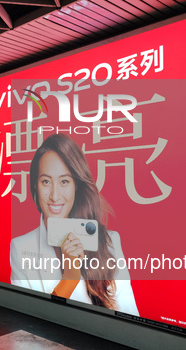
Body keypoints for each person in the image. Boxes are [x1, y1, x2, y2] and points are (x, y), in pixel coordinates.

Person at [9, 134, 138, 315]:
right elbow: (30, 319)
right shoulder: (20, 247)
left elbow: (129, 313)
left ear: (76, 185)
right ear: (35, 186)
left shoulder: (108, 241)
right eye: (46, 181)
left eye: (64, 181)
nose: (55, 195)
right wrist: (70, 278)